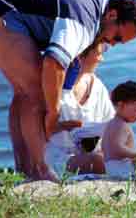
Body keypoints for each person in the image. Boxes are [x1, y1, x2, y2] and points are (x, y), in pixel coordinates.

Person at [0, 0, 136, 181]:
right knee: (35, 92)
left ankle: (25, 169)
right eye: (116, 37)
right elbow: (53, 62)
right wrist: (52, 115)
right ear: (112, 15)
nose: (111, 44)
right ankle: (40, 171)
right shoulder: (85, 20)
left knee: (23, 93)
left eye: (118, 43)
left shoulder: (92, 7)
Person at [45, 42, 114, 178]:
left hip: (92, 155)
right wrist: (62, 127)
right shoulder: (53, 88)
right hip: (59, 159)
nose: (101, 59)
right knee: (99, 161)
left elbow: (111, 127)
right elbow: (36, 131)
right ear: (80, 55)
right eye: (99, 53)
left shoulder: (97, 87)